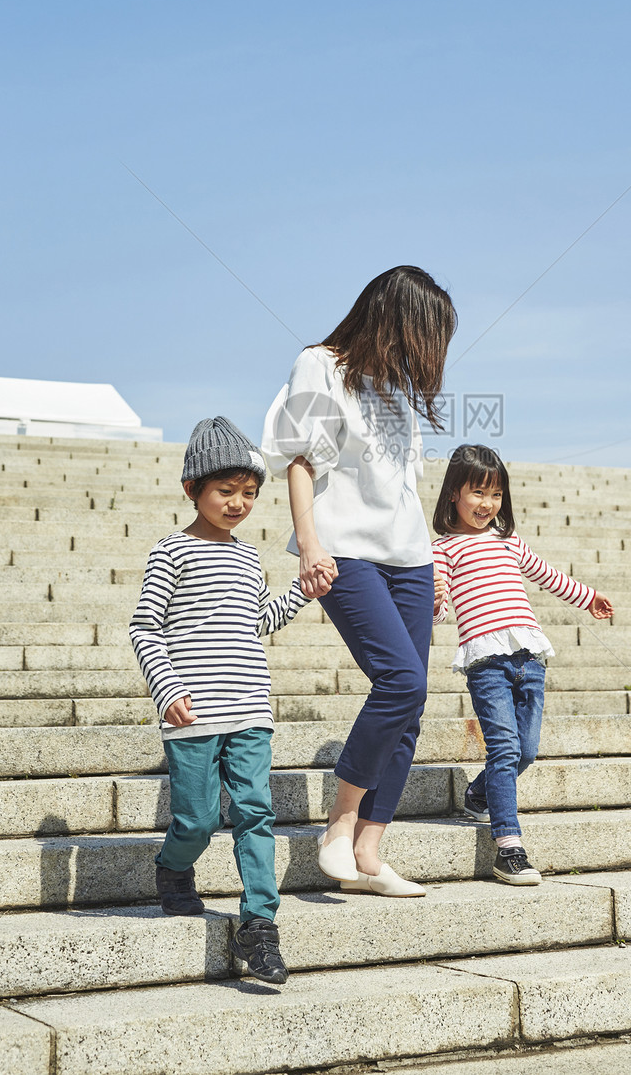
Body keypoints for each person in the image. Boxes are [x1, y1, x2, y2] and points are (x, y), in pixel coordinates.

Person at [262, 265, 457, 898]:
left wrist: (432, 565)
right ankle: (339, 825)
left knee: (413, 699)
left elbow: (404, 489)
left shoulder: (396, 390)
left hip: (409, 559)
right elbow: (297, 459)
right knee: (399, 680)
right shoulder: (318, 364)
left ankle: (370, 851)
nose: (426, 352)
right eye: (423, 333)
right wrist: (309, 545)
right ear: (394, 317)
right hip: (346, 552)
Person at [129, 415, 321, 985]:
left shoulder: (246, 557)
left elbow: (259, 619)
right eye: (225, 491)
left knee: (256, 814)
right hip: (191, 711)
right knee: (195, 818)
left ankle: (260, 927)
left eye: (249, 494)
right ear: (192, 490)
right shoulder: (170, 552)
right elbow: (144, 628)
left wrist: (301, 592)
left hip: (250, 710)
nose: (238, 503)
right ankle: (172, 867)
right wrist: (167, 689)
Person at [432, 444, 613, 885]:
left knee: (526, 750)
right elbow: (436, 612)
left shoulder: (507, 540)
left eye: (495, 495)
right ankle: (508, 848)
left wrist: (588, 598)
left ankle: (478, 793)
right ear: (454, 493)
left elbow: (548, 575)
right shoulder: (443, 549)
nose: (487, 504)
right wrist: (434, 599)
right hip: (487, 663)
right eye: (477, 493)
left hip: (530, 660)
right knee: (505, 749)